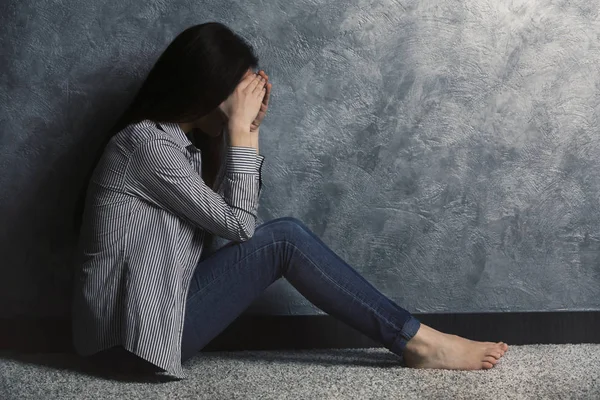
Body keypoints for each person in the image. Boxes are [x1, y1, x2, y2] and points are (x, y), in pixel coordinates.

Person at [71, 21, 508, 381]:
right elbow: (240, 226)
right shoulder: (144, 144)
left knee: (284, 237)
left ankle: (415, 339)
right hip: (128, 345)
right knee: (285, 239)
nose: (244, 102)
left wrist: (245, 132)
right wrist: (242, 131)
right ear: (207, 86)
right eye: (239, 92)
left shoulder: (177, 148)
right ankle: (419, 343)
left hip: (149, 328)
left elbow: (225, 227)